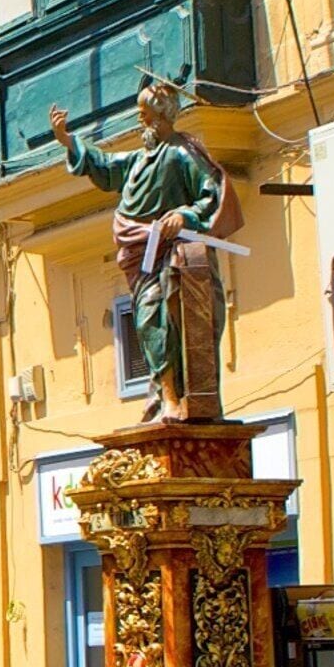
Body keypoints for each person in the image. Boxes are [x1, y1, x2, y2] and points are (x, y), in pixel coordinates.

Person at [51, 78, 239, 422]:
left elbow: (211, 192)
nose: (140, 120)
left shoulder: (182, 152)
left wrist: (183, 215)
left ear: (162, 116)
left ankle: (175, 397)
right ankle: (165, 394)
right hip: (141, 253)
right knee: (147, 320)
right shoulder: (139, 160)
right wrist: (68, 140)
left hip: (174, 253)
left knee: (165, 317)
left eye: (145, 113)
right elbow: (107, 168)